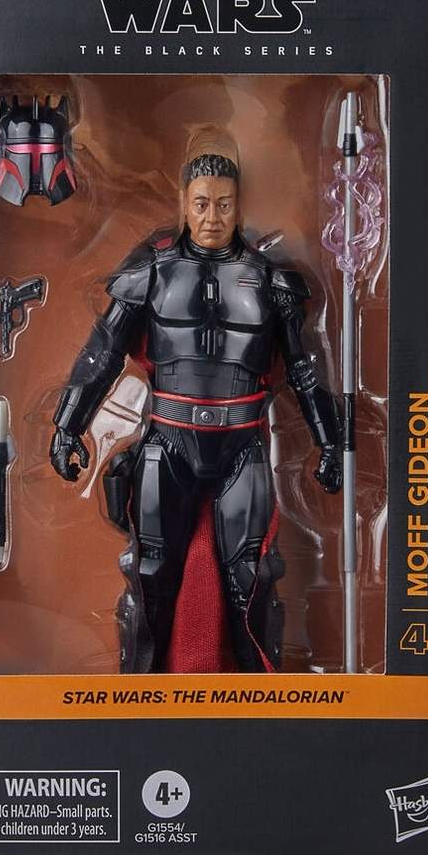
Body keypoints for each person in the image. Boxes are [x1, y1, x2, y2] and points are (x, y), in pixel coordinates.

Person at [50, 151, 341, 672]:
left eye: (223, 204)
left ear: (238, 206)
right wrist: (68, 426)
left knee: (252, 577)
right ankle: (139, 697)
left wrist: (329, 440)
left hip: (242, 443)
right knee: (151, 574)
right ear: (184, 204)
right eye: (202, 204)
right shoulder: (152, 270)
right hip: (168, 440)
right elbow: (102, 353)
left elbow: (304, 368)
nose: (212, 217)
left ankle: (263, 704)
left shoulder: (269, 279)